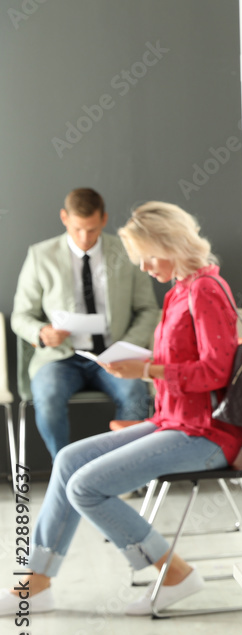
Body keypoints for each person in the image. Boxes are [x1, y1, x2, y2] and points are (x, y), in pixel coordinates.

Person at [1, 201, 242, 617]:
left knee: (85, 487)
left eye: (149, 257)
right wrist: (142, 364)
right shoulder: (182, 289)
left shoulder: (204, 290)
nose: (146, 268)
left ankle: (175, 573)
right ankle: (37, 582)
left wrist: (146, 368)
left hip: (204, 433)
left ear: (172, 243)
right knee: (68, 460)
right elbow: (182, 363)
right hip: (172, 421)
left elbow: (217, 371)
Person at [11, 188, 159, 461]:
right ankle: (65, 472)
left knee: (136, 394)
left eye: (91, 230)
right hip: (59, 357)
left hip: (114, 354)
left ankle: (117, 472)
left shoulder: (126, 252)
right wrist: (41, 333)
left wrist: (127, 346)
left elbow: (148, 309)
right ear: (64, 218)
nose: (84, 238)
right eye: (78, 229)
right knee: (48, 395)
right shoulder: (40, 256)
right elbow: (20, 316)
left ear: (103, 219)